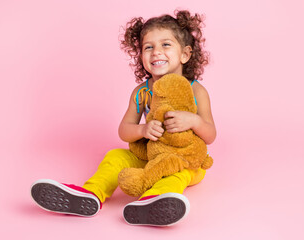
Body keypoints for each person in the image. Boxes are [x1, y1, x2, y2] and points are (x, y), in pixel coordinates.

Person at [31, 9, 216, 226]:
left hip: (185, 160)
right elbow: (124, 129)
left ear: (185, 54)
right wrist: (143, 130)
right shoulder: (141, 92)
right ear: (141, 57)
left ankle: (155, 201)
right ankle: (90, 193)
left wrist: (193, 121)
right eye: (149, 47)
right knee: (115, 156)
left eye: (166, 45)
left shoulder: (196, 91)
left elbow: (210, 134)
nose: (156, 52)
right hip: (150, 155)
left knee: (176, 174)